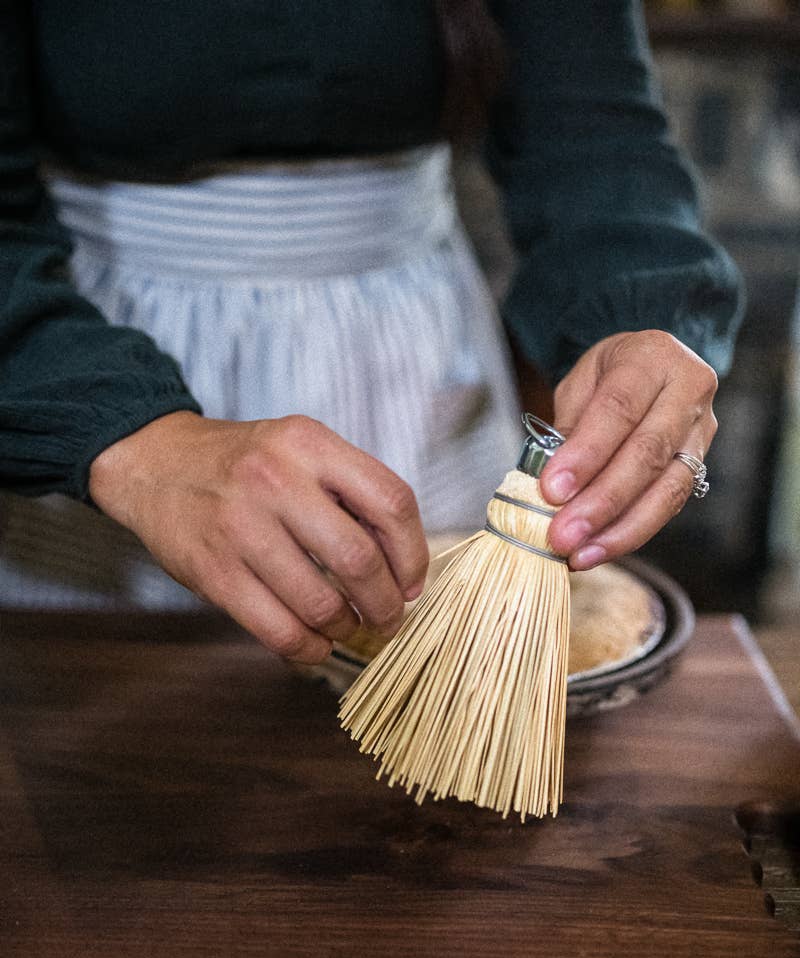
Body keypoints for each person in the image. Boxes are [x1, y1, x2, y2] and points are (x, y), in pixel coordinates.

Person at [0, 1, 743, 663]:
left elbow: (592, 126)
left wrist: (640, 309)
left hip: (412, 356)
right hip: (76, 349)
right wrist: (130, 443)